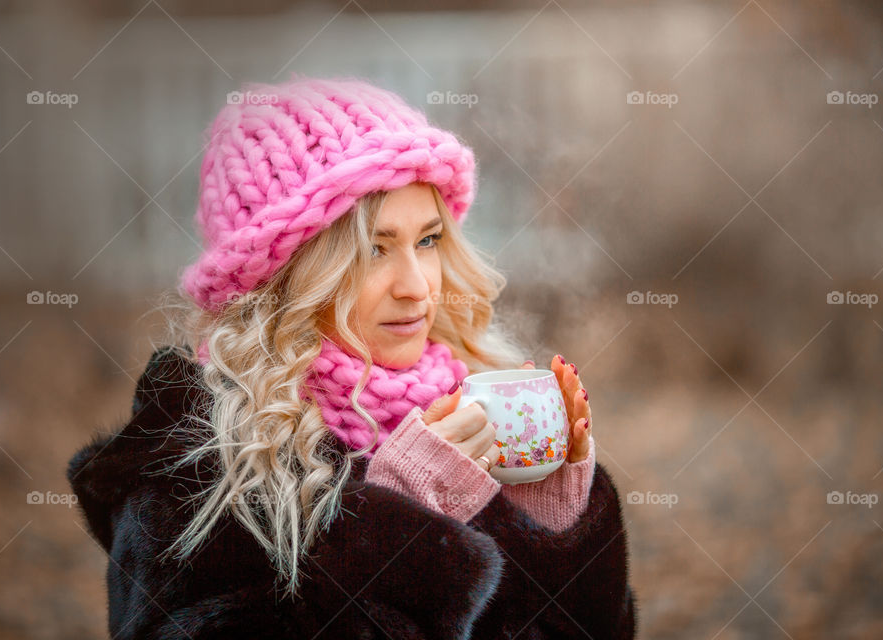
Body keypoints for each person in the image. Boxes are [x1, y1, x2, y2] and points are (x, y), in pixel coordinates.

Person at [66, 74, 637, 639]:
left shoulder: (470, 414)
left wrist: (551, 531)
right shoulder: (197, 469)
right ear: (284, 278)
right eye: (372, 250)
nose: (416, 286)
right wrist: (395, 519)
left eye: (428, 240)